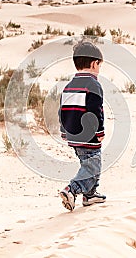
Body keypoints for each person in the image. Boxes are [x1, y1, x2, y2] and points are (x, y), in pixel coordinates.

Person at [58, 41, 106, 212]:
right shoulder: (93, 84)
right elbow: (95, 110)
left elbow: (62, 110)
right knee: (93, 166)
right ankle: (72, 190)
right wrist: (100, 131)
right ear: (94, 64)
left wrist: (64, 130)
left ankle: (90, 195)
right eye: (99, 65)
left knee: (88, 164)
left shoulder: (68, 86)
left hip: (73, 134)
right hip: (89, 135)